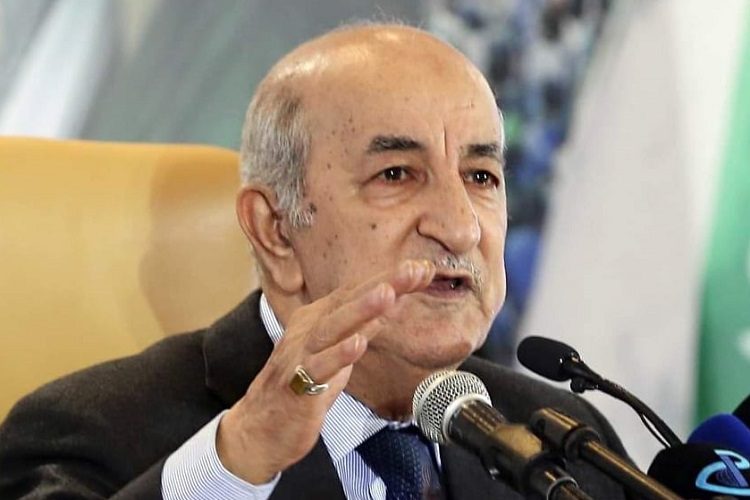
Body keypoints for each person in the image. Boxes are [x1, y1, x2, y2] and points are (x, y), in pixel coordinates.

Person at [0, 23, 632, 499]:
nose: (461, 227)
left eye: (481, 176)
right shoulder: (90, 433)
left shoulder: (566, 442)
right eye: (396, 174)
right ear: (276, 230)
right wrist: (236, 463)